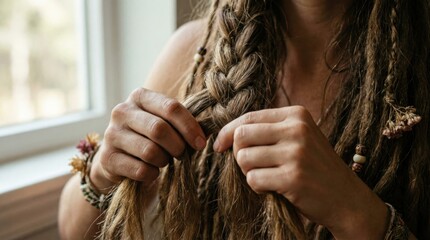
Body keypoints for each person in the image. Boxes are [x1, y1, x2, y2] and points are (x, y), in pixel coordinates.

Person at [59, 0, 430, 239]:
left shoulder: (418, 70)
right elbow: (73, 232)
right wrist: (103, 174)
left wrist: (356, 214)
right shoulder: (193, 53)